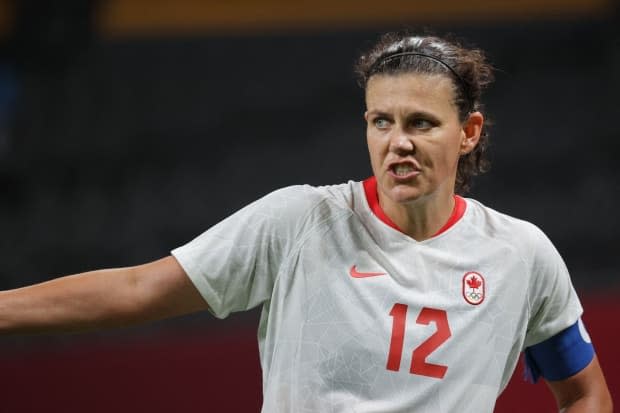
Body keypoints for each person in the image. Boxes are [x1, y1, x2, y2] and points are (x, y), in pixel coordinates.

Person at [0, 31, 613, 412]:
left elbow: (585, 392)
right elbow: (137, 289)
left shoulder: (521, 254)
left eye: (421, 123)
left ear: (469, 132)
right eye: (381, 121)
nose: (397, 142)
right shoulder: (301, 222)